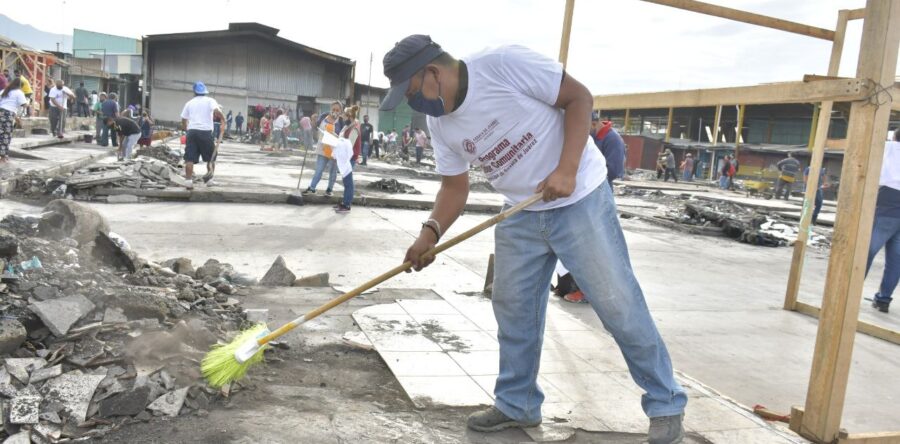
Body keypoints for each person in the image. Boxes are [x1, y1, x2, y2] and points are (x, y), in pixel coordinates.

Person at [380, 35, 686, 443]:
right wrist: (429, 233)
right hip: (521, 211)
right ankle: (517, 403)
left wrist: (567, 169)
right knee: (514, 309)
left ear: (432, 73)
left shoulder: (501, 64)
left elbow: (579, 98)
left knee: (618, 303)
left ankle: (666, 404)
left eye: (411, 91)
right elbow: (454, 187)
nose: (413, 102)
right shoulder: (441, 124)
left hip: (579, 198)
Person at [866, 132, 900, 313]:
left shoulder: (891, 147)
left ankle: (849, 293)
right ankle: (883, 300)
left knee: (865, 252)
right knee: (896, 261)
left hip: (888, 204)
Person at [180, 81, 225, 189]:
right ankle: (210, 181)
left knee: (189, 158)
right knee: (210, 158)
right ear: (205, 91)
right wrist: (223, 120)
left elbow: (183, 119)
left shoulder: (189, 103)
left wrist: (187, 130)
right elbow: (217, 111)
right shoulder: (210, 100)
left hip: (192, 132)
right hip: (205, 132)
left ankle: (188, 181)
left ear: (194, 92)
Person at [302, 101, 343, 196]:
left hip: (334, 151)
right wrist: (312, 120)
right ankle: (312, 188)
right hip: (322, 148)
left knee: (332, 171)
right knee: (319, 170)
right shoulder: (324, 116)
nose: (335, 111)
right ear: (330, 109)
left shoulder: (341, 121)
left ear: (340, 111)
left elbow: (343, 135)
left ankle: (329, 190)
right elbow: (315, 126)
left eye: (337, 110)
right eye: (333, 109)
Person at [334, 105, 362, 213]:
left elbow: (349, 145)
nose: (343, 118)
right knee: (346, 181)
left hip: (349, 157)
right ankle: (344, 202)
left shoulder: (354, 128)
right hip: (346, 157)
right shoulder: (349, 126)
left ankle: (347, 205)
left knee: (348, 181)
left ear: (349, 116)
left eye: (345, 117)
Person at [590, 114, 625, 186]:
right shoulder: (593, 136)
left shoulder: (613, 139)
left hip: (600, 186)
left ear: (593, 124)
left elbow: (613, 171)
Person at [0, 78, 27, 163]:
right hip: (8, 115)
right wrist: (20, 117)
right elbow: (24, 105)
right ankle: (3, 157)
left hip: (1, 112)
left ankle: (4, 155)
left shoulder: (4, 91)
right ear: (20, 86)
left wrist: (16, 118)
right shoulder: (19, 92)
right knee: (6, 136)